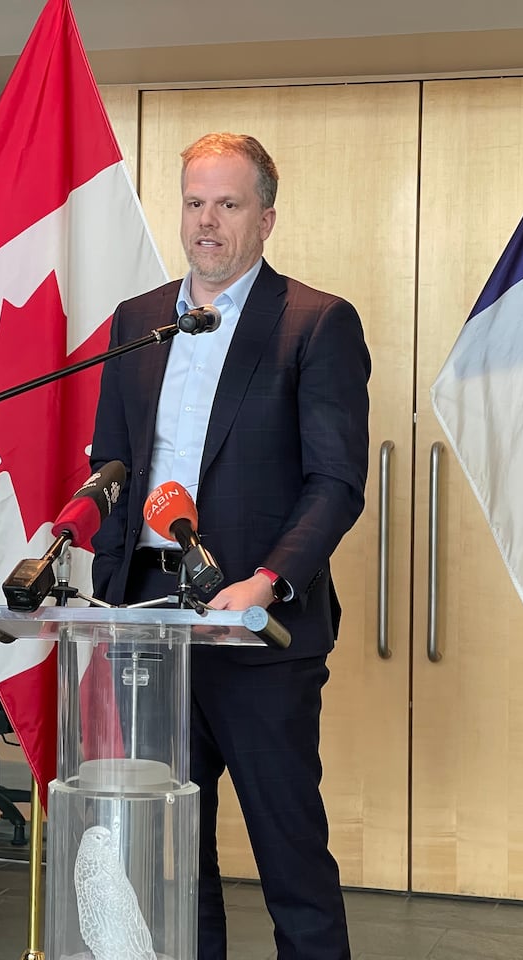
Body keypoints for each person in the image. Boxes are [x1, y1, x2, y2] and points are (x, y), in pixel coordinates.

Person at [90, 133, 370, 960]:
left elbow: (336, 482)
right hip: (146, 622)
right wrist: (96, 570)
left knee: (290, 857)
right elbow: (112, 461)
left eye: (228, 203)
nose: (206, 221)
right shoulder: (138, 322)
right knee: (168, 863)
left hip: (255, 631)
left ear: (266, 218)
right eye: (193, 201)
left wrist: (266, 582)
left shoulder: (316, 323)